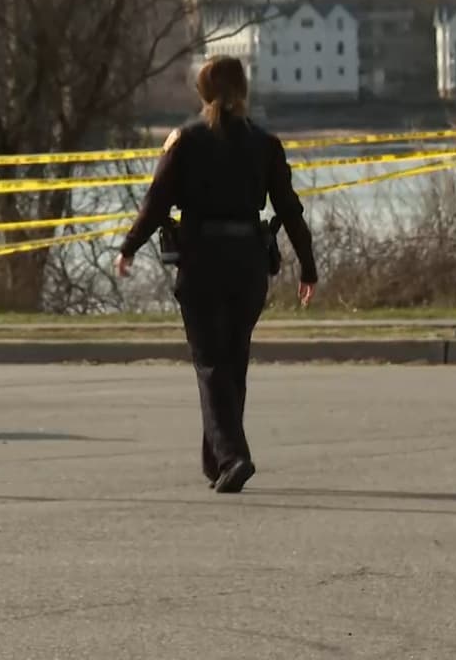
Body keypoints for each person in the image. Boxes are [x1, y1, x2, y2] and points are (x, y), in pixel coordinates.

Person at [115, 55, 318, 494]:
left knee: (210, 364)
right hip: (248, 262)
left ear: (203, 91)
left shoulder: (185, 141)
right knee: (232, 362)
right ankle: (219, 462)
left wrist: (129, 246)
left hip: (203, 258)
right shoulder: (266, 144)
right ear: (243, 89)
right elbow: (289, 208)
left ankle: (232, 457)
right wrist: (308, 265)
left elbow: (156, 202)